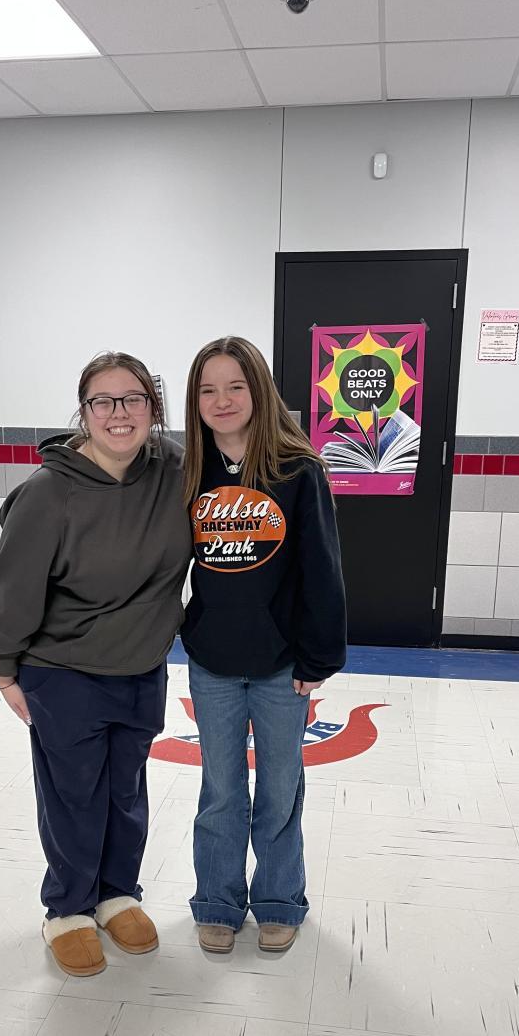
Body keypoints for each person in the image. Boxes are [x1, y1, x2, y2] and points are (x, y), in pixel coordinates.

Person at [0, 352, 191, 978]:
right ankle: (68, 909)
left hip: (141, 666)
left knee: (125, 791)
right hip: (63, 670)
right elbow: (13, 587)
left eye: (133, 399)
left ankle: (117, 894)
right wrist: (5, 669)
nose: (119, 413)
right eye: (103, 401)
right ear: (84, 411)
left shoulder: (176, 471)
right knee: (75, 796)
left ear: (153, 407)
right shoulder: (50, 493)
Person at [181, 336, 347, 955]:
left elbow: (322, 569)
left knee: (280, 790)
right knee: (221, 792)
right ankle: (217, 902)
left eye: (235, 386)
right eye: (207, 389)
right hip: (213, 663)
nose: (221, 400)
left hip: (282, 668)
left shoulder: (299, 470)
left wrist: (318, 657)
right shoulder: (188, 473)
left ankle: (279, 899)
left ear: (260, 391)